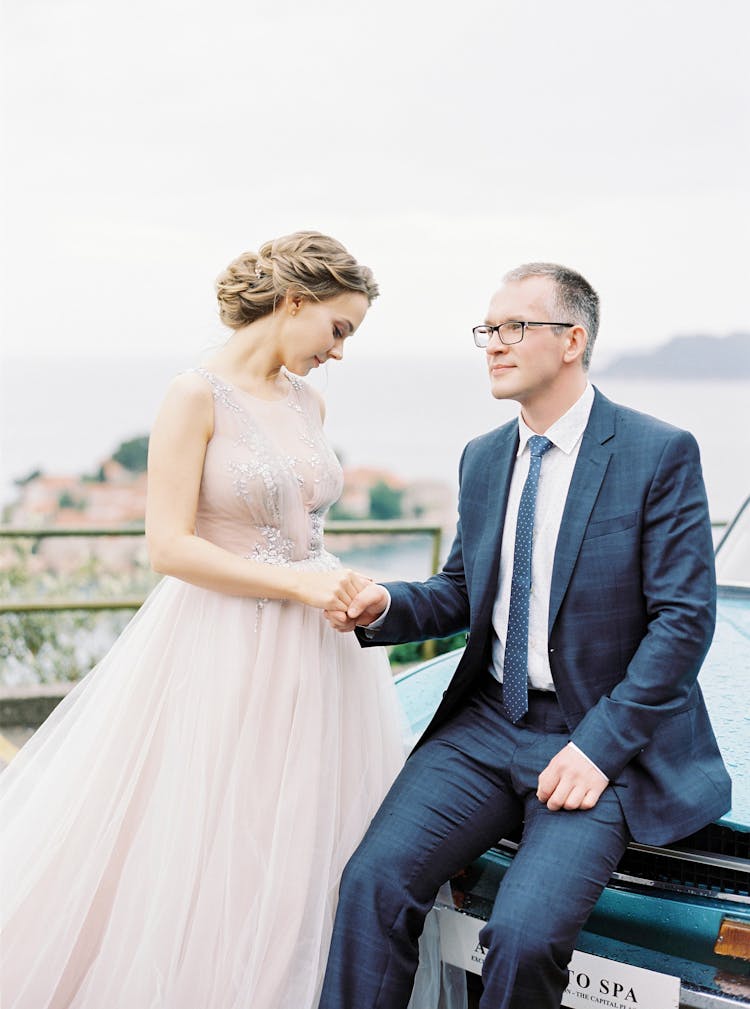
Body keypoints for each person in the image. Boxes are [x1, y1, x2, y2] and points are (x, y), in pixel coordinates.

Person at [0, 231, 463, 1009]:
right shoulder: (194, 394)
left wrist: (337, 580)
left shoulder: (309, 398)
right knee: (214, 834)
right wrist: (296, 585)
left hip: (322, 651)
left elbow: (300, 523)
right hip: (221, 645)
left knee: (309, 840)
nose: (341, 351)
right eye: (339, 329)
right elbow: (169, 545)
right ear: (293, 303)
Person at [318, 262, 732, 1009]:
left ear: (573, 339)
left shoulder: (657, 452)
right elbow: (462, 591)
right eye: (488, 329)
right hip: (484, 725)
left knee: (523, 937)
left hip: (593, 733)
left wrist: (599, 747)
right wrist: (383, 602)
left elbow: (684, 620)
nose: (494, 344)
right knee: (370, 883)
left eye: (515, 327)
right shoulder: (483, 457)